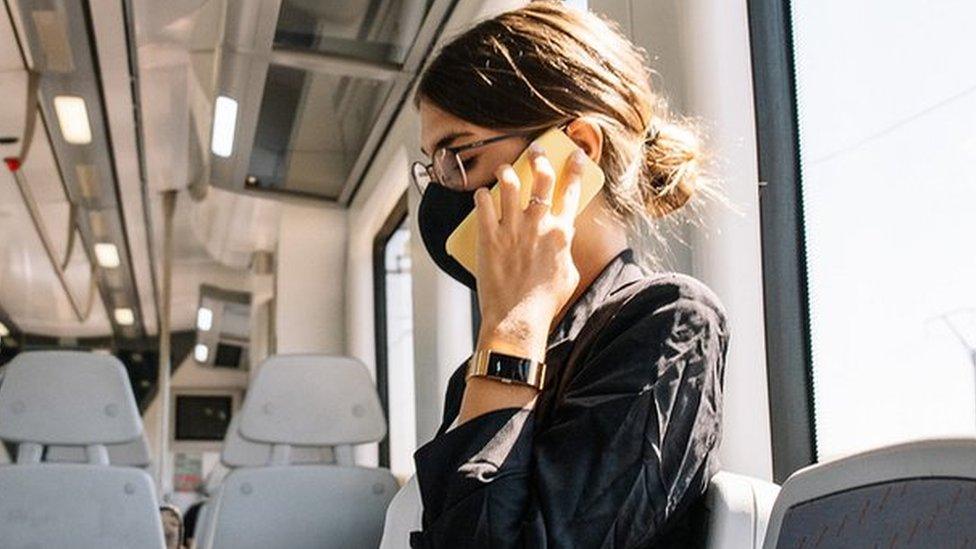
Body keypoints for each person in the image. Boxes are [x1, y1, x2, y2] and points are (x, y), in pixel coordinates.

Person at [405, 2, 730, 548]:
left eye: (458, 157)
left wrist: (511, 328)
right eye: (433, 167)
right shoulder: (474, 375)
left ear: (574, 148)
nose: (443, 191)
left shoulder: (671, 323)